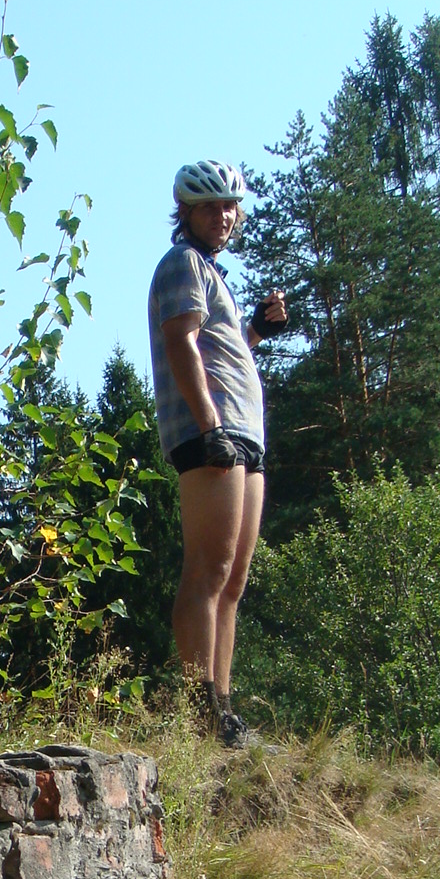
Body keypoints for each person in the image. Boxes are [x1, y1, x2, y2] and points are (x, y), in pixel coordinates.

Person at [147, 160, 288, 748]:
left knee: (231, 581)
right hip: (213, 432)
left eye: (230, 205)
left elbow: (221, 351)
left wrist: (255, 331)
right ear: (184, 212)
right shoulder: (182, 262)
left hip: (242, 434)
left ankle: (222, 715)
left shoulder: (210, 273)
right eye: (209, 206)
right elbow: (181, 342)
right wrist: (210, 426)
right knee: (207, 571)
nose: (223, 216)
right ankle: (197, 715)